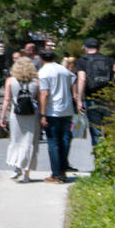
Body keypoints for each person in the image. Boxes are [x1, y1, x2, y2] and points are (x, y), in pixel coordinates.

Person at [38, 49, 79, 183]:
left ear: (41, 58)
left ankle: (56, 175)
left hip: (52, 111)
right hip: (67, 109)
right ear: (55, 57)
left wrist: (42, 114)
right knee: (64, 141)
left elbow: (44, 94)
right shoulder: (63, 70)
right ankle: (62, 170)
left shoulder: (43, 72)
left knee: (53, 142)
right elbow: (74, 79)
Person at [75, 37, 115, 147]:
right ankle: (112, 158)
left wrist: (79, 100)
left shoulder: (82, 61)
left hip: (92, 99)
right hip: (108, 99)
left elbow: (82, 79)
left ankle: (99, 161)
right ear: (98, 48)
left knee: (96, 132)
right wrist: (112, 84)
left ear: (86, 48)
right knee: (110, 131)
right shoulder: (108, 59)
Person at [1, 56, 41, 182]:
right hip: (32, 115)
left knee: (17, 141)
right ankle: (27, 174)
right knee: (30, 143)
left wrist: (2, 117)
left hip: (16, 115)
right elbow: (39, 100)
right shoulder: (36, 81)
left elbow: (7, 100)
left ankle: (17, 168)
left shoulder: (10, 81)